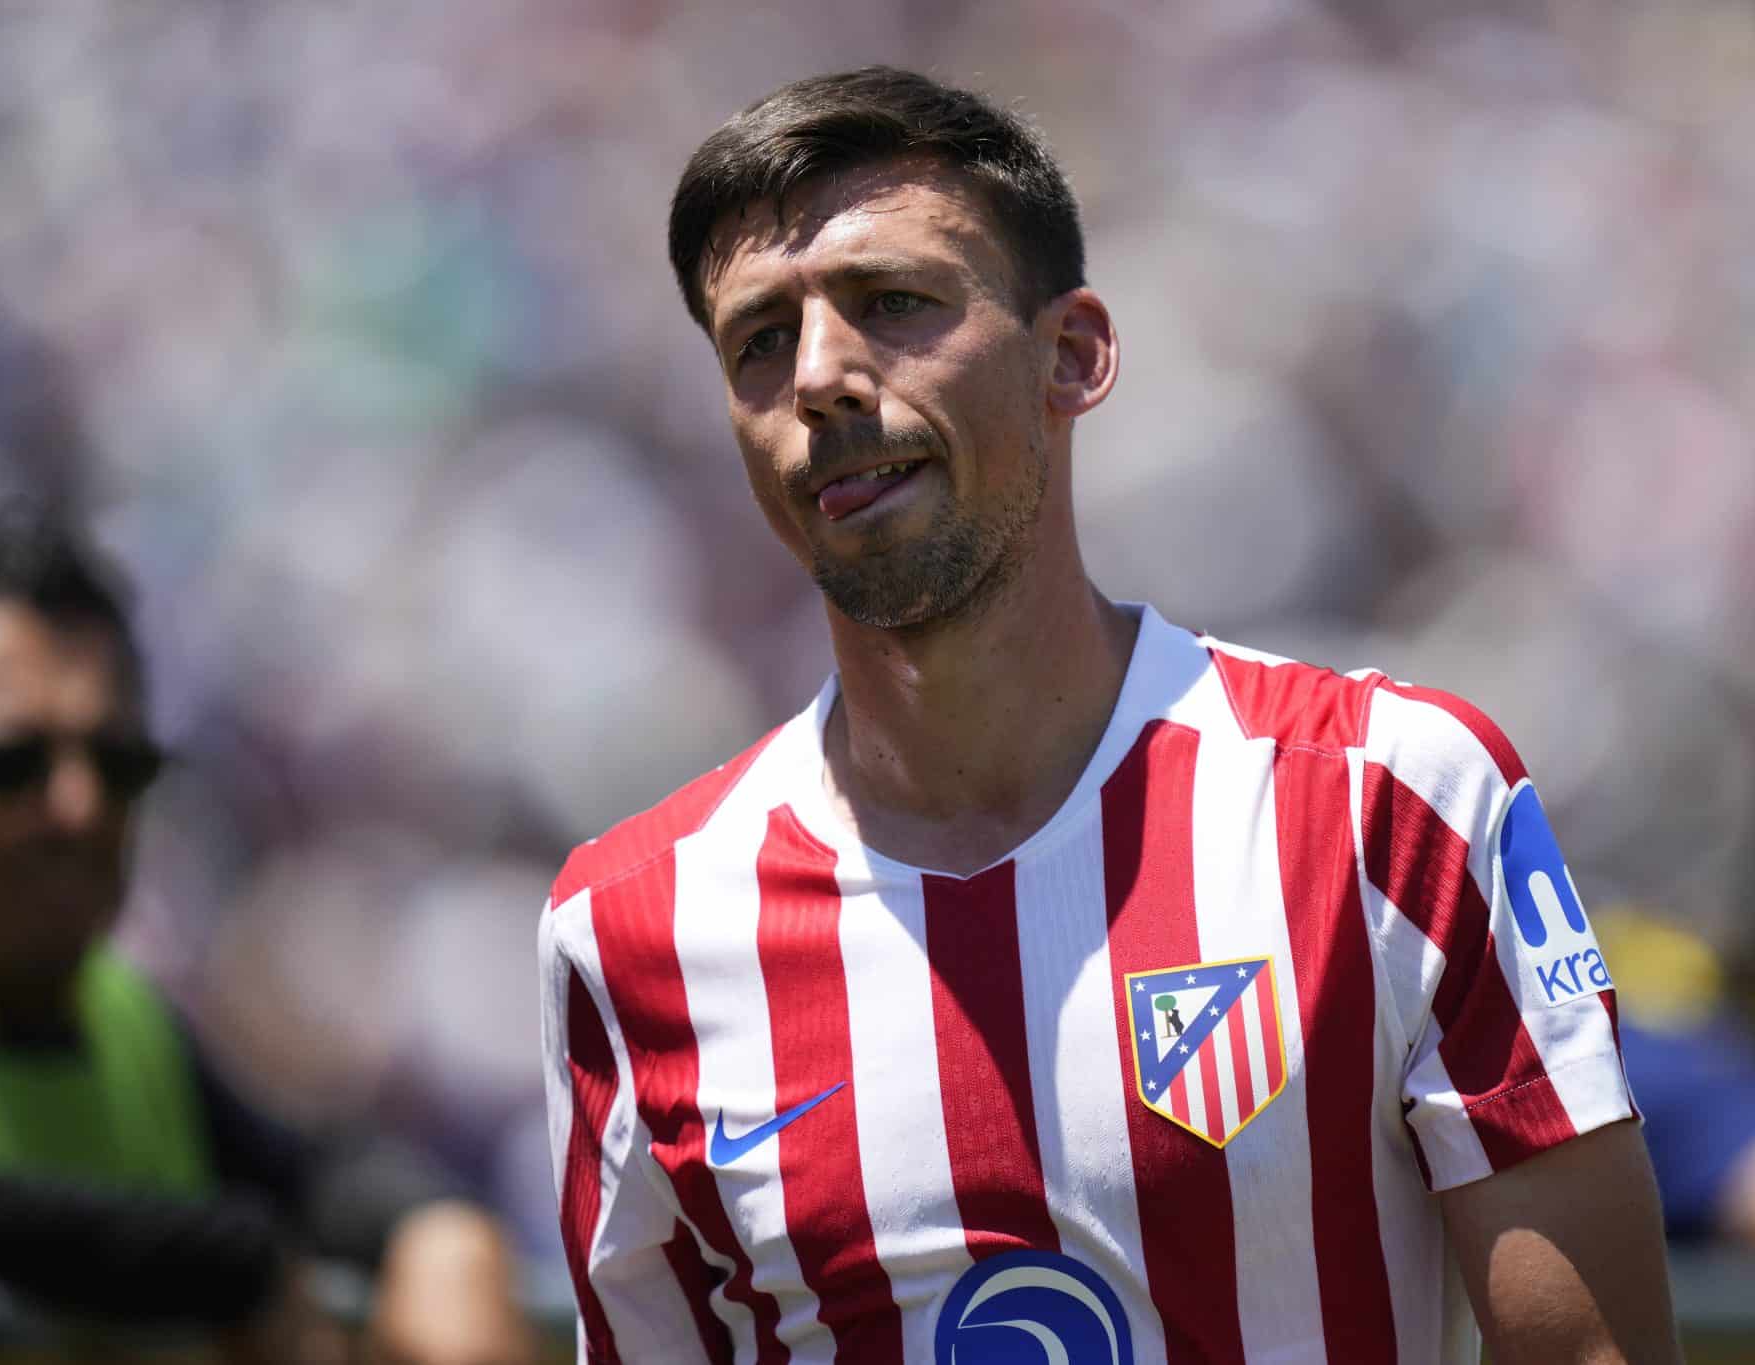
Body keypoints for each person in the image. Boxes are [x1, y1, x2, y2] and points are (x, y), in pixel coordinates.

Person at [538, 66, 1679, 1363]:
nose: (820, 377)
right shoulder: (628, 931)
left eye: (892, 304)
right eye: (758, 341)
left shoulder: (1387, 801)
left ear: (1070, 356)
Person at [0, 505, 534, 1365]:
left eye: (119, 763)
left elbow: (320, 1174)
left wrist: (441, 1231)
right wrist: (216, 1263)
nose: (79, 807)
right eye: (9, 764)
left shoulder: (123, 1019)